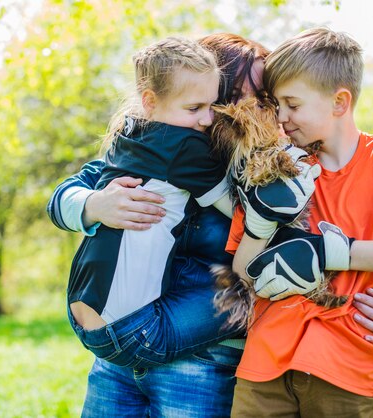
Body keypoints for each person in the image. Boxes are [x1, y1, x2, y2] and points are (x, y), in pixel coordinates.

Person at [48, 33, 373, 417]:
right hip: (119, 355)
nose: (258, 109)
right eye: (240, 96)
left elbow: (317, 247)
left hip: (205, 363)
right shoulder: (162, 139)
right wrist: (94, 204)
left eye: (266, 98)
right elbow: (68, 192)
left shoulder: (280, 169)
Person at [225, 28, 373, 417]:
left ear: (340, 102)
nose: (282, 117)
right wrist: (262, 224)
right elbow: (243, 269)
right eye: (276, 104)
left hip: (345, 364)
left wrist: (329, 252)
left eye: (292, 104)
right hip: (263, 365)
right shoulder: (275, 167)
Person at [65, 36, 247, 369]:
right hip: (135, 330)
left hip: (81, 309)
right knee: (260, 298)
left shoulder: (127, 133)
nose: (207, 119)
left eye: (212, 106)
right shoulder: (185, 146)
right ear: (150, 100)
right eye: (194, 108)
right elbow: (244, 214)